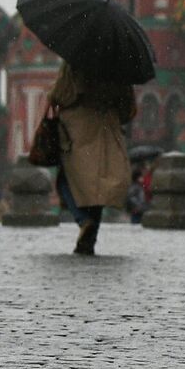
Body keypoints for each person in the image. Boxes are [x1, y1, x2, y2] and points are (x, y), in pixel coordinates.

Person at [49, 62, 135, 257]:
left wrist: (53, 98)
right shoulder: (117, 65)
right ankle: (90, 237)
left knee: (68, 179)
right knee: (99, 182)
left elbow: (60, 94)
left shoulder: (74, 62)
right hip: (106, 126)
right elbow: (127, 106)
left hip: (77, 126)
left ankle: (83, 220)